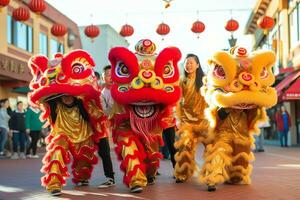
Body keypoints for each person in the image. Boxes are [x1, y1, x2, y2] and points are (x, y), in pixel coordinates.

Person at [174, 53, 209, 183]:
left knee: (212, 146)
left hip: (204, 122)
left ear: (198, 65)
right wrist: (178, 119)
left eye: (191, 63)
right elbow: (176, 102)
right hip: (187, 122)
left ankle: (212, 175)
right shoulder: (181, 81)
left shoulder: (205, 81)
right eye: (186, 63)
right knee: (184, 147)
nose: (188, 65)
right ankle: (183, 173)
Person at [97, 65, 115, 188]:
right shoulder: (101, 94)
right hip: (107, 126)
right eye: (108, 75)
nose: (111, 77)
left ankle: (137, 176)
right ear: (103, 78)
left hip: (124, 125)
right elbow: (106, 112)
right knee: (104, 152)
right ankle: (110, 177)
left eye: (112, 74)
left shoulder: (123, 88)